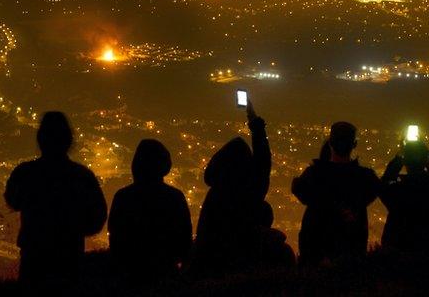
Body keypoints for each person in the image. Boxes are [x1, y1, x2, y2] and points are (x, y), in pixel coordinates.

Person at [4, 112, 107, 286]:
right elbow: (97, 219)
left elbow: (12, 200)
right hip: (70, 258)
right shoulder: (82, 177)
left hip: (34, 260)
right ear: (68, 141)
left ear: (40, 140)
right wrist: (74, 228)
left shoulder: (25, 173)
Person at [192, 100, 293, 277]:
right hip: (244, 267)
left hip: (211, 271)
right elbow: (263, 159)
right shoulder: (251, 191)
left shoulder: (215, 196)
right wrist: (254, 120)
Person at [292, 122, 381, 266]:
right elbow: (378, 189)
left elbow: (299, 189)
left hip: (315, 257)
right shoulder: (365, 178)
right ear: (354, 144)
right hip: (352, 258)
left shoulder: (313, 176)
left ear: (330, 143)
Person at [108, 139, 192, 281]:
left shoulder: (123, 197)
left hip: (130, 277)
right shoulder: (175, 198)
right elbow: (185, 242)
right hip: (166, 276)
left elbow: (116, 242)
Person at [380, 141, 429, 257]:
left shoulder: (397, 190)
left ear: (405, 162)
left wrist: (399, 158)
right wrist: (428, 155)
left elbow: (385, 182)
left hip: (400, 253)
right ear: (425, 161)